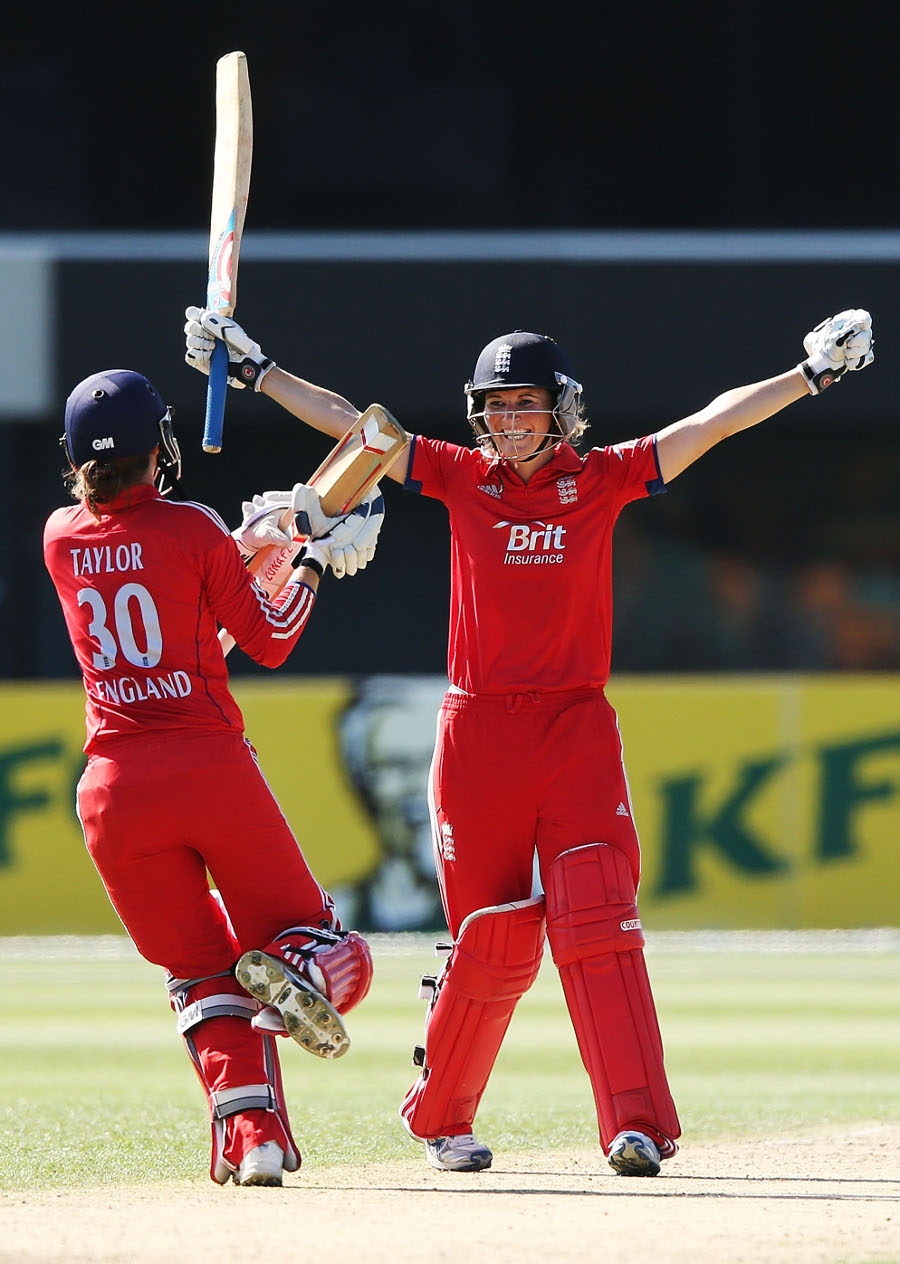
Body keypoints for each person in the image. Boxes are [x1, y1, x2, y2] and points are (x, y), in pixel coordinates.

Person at [183, 304, 874, 1177]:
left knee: (599, 918)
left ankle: (635, 1126)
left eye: (526, 405)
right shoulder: (463, 475)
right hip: (478, 736)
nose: (510, 422)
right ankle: (440, 1116)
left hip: (576, 728)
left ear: (561, 409)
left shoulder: (607, 477)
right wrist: (258, 372)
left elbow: (712, 422)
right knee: (491, 938)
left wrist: (806, 374)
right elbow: (356, 428)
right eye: (496, 407)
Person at [43, 367, 385, 1187]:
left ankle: (253, 1141)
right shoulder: (194, 526)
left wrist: (249, 549)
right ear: (158, 446)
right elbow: (264, 639)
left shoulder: (58, 536)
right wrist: (305, 557)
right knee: (338, 949)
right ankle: (294, 979)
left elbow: (160, 588)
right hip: (208, 768)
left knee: (199, 976)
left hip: (113, 791)